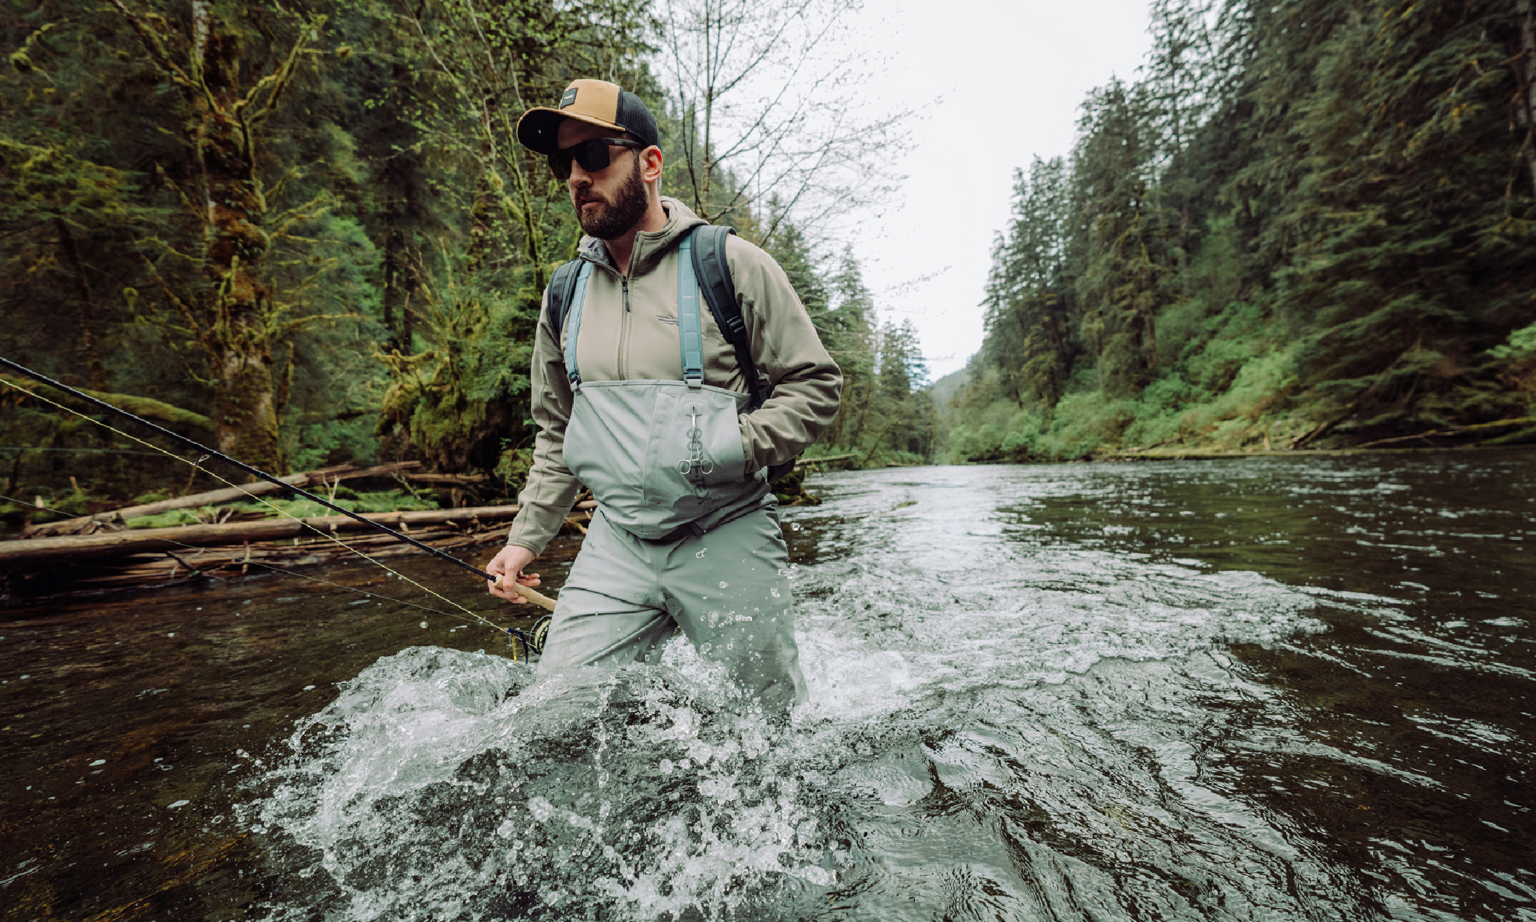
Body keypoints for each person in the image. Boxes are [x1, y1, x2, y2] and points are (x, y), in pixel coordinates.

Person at [484, 79, 842, 714]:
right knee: (552, 721)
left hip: (727, 530)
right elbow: (555, 434)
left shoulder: (731, 265)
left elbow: (814, 386)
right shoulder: (563, 295)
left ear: (648, 163)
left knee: (770, 741)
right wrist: (525, 538)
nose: (576, 177)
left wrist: (728, 444)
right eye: (563, 163)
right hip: (615, 543)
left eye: (593, 155)